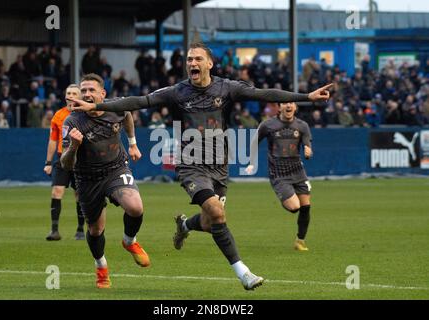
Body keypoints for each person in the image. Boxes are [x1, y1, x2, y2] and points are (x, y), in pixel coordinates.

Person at [69, 43, 332, 290]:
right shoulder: (178, 92)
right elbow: (139, 101)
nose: (192, 63)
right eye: (189, 60)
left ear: (210, 64)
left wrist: (307, 96)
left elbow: (264, 94)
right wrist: (98, 105)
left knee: (210, 221)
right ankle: (244, 273)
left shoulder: (226, 88)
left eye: (197, 59)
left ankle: (185, 225)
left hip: (219, 166)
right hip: (191, 165)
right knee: (217, 213)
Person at [61, 73, 148, 289]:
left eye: (91, 90)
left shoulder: (115, 107)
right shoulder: (72, 121)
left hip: (115, 169)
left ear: (103, 93)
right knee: (95, 230)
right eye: (84, 91)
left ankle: (129, 241)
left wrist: (133, 143)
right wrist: (73, 146)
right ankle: (101, 267)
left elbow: (127, 115)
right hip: (87, 178)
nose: (87, 94)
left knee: (135, 207)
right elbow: (65, 164)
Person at [246, 102, 313, 251]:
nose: (288, 106)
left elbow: (307, 145)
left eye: (291, 103)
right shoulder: (268, 125)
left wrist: (308, 151)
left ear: (295, 107)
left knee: (306, 207)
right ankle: (285, 195)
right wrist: (251, 162)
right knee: (295, 207)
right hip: (279, 173)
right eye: (285, 103)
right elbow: (254, 142)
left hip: (298, 171)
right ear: (279, 107)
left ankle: (300, 241)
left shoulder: (302, 126)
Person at [44, 84, 85, 241]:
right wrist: (48, 162)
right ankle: (54, 230)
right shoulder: (58, 115)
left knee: (79, 194)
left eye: (74, 93)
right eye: (68, 93)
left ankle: (80, 229)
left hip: (80, 159)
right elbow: (53, 140)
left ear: (80, 96)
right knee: (56, 192)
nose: (71, 96)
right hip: (62, 158)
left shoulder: (85, 114)